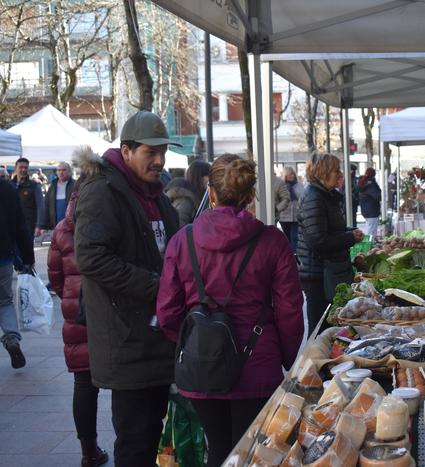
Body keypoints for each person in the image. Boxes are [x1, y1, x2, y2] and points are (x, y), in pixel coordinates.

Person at [156, 155, 304, 467]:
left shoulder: (182, 241)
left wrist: (189, 346)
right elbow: (290, 309)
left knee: (219, 446)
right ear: (251, 196)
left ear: (210, 193)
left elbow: (168, 311)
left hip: (201, 365)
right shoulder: (273, 242)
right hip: (257, 365)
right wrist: (288, 359)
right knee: (252, 452)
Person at [74, 111, 181, 467]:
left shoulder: (157, 194)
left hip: (157, 336)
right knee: (135, 442)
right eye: (150, 152)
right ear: (127, 150)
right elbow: (90, 257)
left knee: (152, 433)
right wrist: (155, 285)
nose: (159, 159)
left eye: (162, 151)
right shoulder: (103, 191)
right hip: (126, 340)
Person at [47, 153, 109, 467]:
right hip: (107, 312)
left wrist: (71, 300)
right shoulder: (107, 218)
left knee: (83, 385)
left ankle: (88, 452)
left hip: (77, 314)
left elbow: (55, 278)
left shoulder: (61, 230)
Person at [297, 153, 364, 334]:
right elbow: (318, 240)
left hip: (329, 270)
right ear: (323, 172)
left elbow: (331, 229)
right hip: (319, 274)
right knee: (320, 327)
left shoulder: (326, 195)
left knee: (330, 325)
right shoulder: (314, 197)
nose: (340, 174)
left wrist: (350, 231)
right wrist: (350, 237)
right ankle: (316, 361)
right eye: (336, 170)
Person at [0, 178, 33, 369]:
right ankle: (11, 339)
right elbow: (21, 225)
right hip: (3, 256)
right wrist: (28, 257)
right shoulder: (7, 188)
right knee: (4, 302)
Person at [165, 160, 211, 227]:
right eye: (209, 176)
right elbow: (179, 227)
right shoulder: (186, 201)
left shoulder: (194, 196)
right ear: (201, 177)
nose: (210, 180)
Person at [12, 157, 44, 238]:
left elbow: (40, 206)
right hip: (11, 225)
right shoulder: (9, 185)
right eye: (21, 167)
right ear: (15, 168)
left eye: (25, 168)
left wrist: (39, 225)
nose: (23, 170)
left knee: (27, 250)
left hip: (28, 226)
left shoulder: (34, 186)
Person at [40, 161, 75, 232]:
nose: (61, 172)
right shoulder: (53, 186)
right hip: (55, 227)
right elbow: (46, 206)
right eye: (59, 170)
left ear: (69, 171)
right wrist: (43, 226)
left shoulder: (75, 185)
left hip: (71, 227)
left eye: (64, 170)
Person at [279, 166, 305, 252]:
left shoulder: (299, 185)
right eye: (290, 174)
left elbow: (303, 198)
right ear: (285, 175)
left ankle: (294, 256)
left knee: (294, 237)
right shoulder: (281, 186)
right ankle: (288, 255)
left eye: (293, 174)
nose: (292, 176)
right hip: (284, 217)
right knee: (287, 238)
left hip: (296, 217)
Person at [359, 167, 381, 237]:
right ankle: (369, 246)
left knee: (369, 228)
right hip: (372, 210)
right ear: (374, 174)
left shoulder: (363, 182)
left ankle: (370, 244)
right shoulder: (371, 184)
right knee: (371, 231)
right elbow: (377, 196)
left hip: (365, 209)